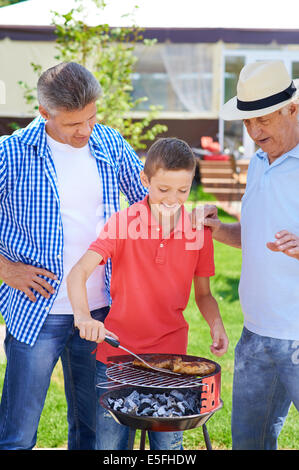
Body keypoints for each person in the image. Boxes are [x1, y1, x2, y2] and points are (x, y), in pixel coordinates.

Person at [0, 61, 148, 450]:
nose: (86, 130)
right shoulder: (10, 154)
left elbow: (148, 205)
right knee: (16, 436)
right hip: (37, 311)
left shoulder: (110, 142)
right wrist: (6, 269)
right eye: (73, 124)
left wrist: (193, 216)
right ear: (45, 113)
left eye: (92, 118)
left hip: (101, 310)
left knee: (94, 433)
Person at [67, 137, 229, 450]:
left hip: (171, 359)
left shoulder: (198, 230)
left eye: (182, 191)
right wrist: (83, 316)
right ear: (145, 180)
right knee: (111, 447)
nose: (173, 199)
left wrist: (217, 324)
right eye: (163, 190)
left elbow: (205, 295)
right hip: (116, 357)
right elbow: (79, 273)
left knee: (168, 446)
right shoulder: (122, 224)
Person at [204, 60, 299, 450]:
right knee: (248, 444)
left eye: (262, 120)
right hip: (255, 336)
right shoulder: (260, 161)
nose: (254, 132)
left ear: (292, 109)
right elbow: (258, 237)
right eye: (247, 122)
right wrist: (218, 231)